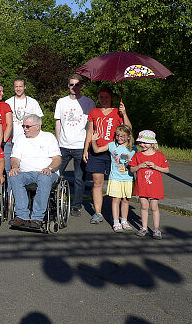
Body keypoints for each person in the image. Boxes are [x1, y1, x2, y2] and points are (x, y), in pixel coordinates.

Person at [84, 86, 131, 224]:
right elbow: (90, 132)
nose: (104, 100)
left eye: (106, 97)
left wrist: (125, 113)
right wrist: (86, 149)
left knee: (114, 182)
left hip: (114, 152)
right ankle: (98, 213)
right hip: (97, 151)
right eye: (101, 97)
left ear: (112, 98)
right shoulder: (94, 112)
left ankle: (114, 214)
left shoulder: (118, 112)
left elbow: (129, 130)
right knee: (97, 183)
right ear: (98, 98)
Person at [7, 114, 62, 229]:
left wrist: (50, 168)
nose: (24, 129)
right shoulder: (20, 138)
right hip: (26, 173)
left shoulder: (48, 137)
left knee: (44, 178)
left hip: (46, 172)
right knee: (14, 176)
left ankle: (37, 218)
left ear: (37, 126)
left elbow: (57, 159)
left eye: (27, 126)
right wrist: (15, 166)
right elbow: (14, 158)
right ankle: (22, 216)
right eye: (23, 126)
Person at [54, 73, 95, 217]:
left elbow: (91, 125)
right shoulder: (61, 102)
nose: (74, 87)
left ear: (81, 85)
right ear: (68, 86)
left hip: (80, 146)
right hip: (63, 145)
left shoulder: (89, 102)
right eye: (71, 84)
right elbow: (58, 122)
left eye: (77, 84)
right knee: (56, 174)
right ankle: (56, 200)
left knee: (79, 178)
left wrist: (88, 145)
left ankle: (76, 205)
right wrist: (58, 142)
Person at [90, 124, 135, 232]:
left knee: (125, 200)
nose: (119, 138)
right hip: (115, 178)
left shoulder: (134, 149)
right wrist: (94, 141)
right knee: (115, 200)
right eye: (117, 136)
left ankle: (124, 221)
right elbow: (96, 150)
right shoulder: (112, 145)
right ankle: (116, 222)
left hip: (128, 179)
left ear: (128, 136)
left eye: (122, 136)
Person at [130, 130, 169, 239]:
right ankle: (144, 228)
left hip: (155, 187)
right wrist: (140, 166)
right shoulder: (137, 155)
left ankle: (156, 229)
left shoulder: (160, 156)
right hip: (142, 185)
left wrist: (155, 167)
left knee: (154, 206)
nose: (142, 144)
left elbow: (166, 170)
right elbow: (132, 169)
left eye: (145, 142)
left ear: (152, 143)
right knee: (143, 205)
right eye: (140, 142)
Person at [5, 77, 43, 174]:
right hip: (12, 140)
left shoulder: (33, 102)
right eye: (16, 86)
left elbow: (39, 122)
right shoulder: (8, 102)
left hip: (28, 140)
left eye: (20, 86)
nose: (18, 89)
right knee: (11, 167)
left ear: (25, 87)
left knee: (26, 167)